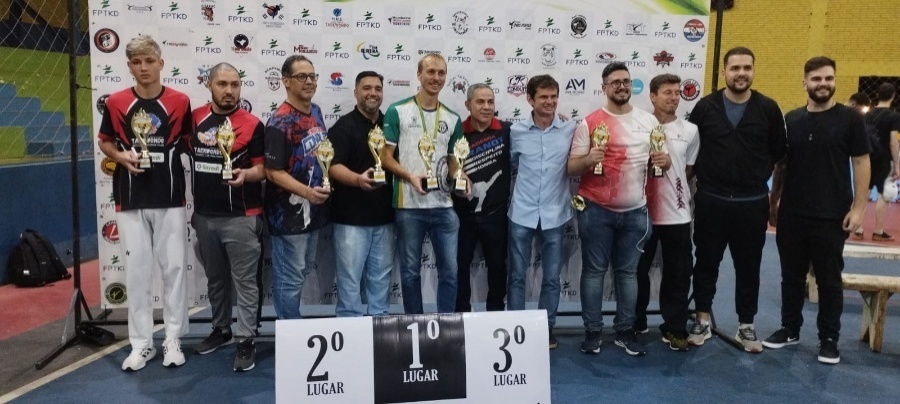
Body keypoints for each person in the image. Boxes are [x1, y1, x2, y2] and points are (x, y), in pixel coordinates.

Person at [763, 56, 870, 365]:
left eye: (828, 78)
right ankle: (790, 329)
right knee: (791, 277)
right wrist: (774, 201)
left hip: (831, 214)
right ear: (805, 83)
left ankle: (829, 339)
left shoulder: (850, 120)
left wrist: (859, 208)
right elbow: (781, 165)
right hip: (792, 213)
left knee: (829, 280)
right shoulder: (792, 120)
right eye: (816, 79)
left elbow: (861, 162)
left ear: (834, 81)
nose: (823, 84)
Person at [97, 35, 191, 371]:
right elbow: (105, 141)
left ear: (161, 63)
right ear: (129, 66)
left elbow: (189, 143)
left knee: (175, 270)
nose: (144, 68)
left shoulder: (180, 101)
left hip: (170, 197)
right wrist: (120, 156)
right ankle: (141, 344)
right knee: (137, 273)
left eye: (149, 61)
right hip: (130, 198)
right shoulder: (116, 102)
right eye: (137, 62)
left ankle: (173, 339)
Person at [687, 46, 787, 352]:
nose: (741, 73)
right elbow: (690, 154)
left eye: (747, 68)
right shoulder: (705, 108)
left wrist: (774, 200)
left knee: (749, 268)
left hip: (751, 203)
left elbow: (780, 156)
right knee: (706, 263)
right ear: (724, 72)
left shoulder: (768, 109)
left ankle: (746, 326)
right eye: (735, 68)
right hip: (711, 200)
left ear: (753, 71)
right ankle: (702, 320)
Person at [567, 63, 668, 356]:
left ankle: (625, 331)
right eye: (615, 82)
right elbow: (572, 168)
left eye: (626, 81)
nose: (622, 86)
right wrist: (589, 159)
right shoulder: (589, 123)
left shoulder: (649, 121)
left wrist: (665, 162)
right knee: (594, 272)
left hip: (636, 212)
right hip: (595, 210)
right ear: (604, 87)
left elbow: (663, 163)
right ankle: (593, 332)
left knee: (628, 274)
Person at [188, 63, 265, 372]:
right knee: (216, 280)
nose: (229, 90)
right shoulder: (194, 119)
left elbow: (263, 169)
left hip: (241, 217)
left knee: (245, 282)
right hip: (205, 217)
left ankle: (246, 339)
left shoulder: (252, 124)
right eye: (222, 84)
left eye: (235, 84)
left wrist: (246, 175)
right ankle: (221, 330)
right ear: (209, 85)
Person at [380, 54, 465, 314]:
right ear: (419, 74)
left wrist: (461, 177)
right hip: (409, 205)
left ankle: (446, 322)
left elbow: (454, 161)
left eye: (441, 73)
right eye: (430, 72)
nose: (436, 78)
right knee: (410, 272)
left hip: (444, 206)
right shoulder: (398, 110)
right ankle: (414, 323)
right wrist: (409, 176)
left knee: (450, 272)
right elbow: (385, 157)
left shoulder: (452, 117)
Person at [507, 74, 577, 349]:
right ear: (530, 99)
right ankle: (515, 328)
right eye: (543, 97)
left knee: (551, 278)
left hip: (555, 214)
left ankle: (546, 328)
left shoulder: (570, 129)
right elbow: (512, 164)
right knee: (516, 276)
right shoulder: (516, 132)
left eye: (553, 96)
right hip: (521, 213)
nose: (549, 102)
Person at [634, 73, 699, 352]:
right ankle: (635, 321)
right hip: (641, 212)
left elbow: (688, 169)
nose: (673, 98)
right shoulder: (638, 127)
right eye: (667, 93)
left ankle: (674, 327)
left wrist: (673, 183)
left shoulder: (690, 130)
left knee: (678, 273)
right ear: (653, 96)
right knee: (636, 271)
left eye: (676, 93)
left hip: (677, 214)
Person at [264, 55, 330, 320]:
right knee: (289, 278)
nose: (309, 81)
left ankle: (294, 329)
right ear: (286, 81)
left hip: (312, 212)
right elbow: (272, 171)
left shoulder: (316, 112)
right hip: (288, 216)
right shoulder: (280, 122)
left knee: (301, 271)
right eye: (302, 76)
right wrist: (307, 192)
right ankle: (290, 331)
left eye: (312, 76)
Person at [328, 71, 396, 317]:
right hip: (351, 219)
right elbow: (332, 166)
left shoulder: (391, 125)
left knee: (381, 278)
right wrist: (358, 180)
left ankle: (380, 324)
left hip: (385, 218)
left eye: (377, 88)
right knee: (349, 280)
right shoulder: (343, 127)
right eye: (366, 88)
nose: (372, 93)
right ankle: (350, 327)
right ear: (356, 92)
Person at [453, 83, 511, 312]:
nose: (486, 107)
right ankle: (461, 315)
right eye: (480, 102)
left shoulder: (507, 131)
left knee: (497, 267)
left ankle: (495, 316)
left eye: (490, 102)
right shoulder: (456, 132)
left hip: (496, 215)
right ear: (468, 104)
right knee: (459, 267)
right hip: (462, 215)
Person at [851, 83, 900, 242]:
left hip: (868, 158)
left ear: (877, 95)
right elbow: (893, 142)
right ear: (893, 96)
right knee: (883, 196)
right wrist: (897, 164)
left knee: (863, 194)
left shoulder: (867, 115)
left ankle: (858, 229)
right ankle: (878, 231)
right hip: (885, 160)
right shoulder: (894, 116)